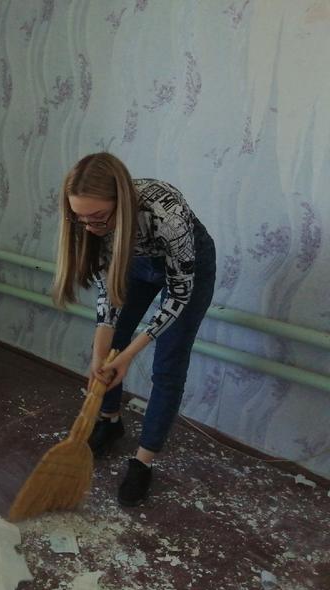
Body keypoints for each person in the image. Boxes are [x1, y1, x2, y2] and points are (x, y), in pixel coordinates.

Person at [52, 152, 215, 506]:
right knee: (110, 345)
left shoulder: (167, 215)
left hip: (187, 268)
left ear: (120, 204)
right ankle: (110, 421)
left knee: (168, 364)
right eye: (80, 218)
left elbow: (178, 296)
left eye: (97, 217)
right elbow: (107, 297)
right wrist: (100, 356)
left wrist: (126, 356)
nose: (88, 227)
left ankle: (143, 460)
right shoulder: (89, 222)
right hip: (135, 259)